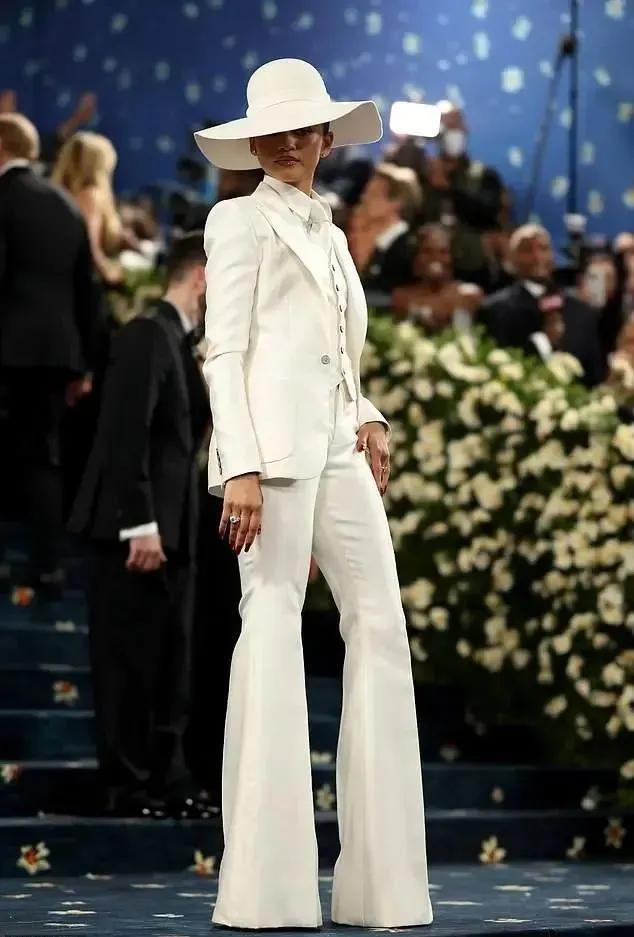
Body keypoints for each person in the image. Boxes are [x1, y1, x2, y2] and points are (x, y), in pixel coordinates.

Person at [194, 57, 433, 930]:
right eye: (275, 131)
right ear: (255, 143)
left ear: (328, 139)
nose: (290, 142)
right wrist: (240, 464)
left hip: (338, 447)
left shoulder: (331, 233)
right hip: (271, 460)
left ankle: (383, 885)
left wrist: (365, 413)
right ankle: (268, 889)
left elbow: (330, 347)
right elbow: (227, 350)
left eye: (304, 128)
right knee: (271, 622)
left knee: (382, 624)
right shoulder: (236, 220)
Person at [68, 233, 211, 819]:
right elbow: (125, 435)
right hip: (136, 532)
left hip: (175, 532)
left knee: (168, 663)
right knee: (127, 663)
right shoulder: (147, 333)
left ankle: (165, 781)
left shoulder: (180, 342)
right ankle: (127, 785)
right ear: (202, 277)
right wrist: (140, 523)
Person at [0, 113, 97, 597]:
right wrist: (84, 363)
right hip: (58, 352)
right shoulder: (63, 203)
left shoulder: (3, 198)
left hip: (7, 349)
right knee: (43, 458)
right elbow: (87, 289)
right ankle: (49, 568)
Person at [480, 224, 604, 387]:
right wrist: (543, 342)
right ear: (513, 259)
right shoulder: (495, 311)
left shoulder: (580, 309)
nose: (537, 256)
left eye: (543, 249)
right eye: (527, 250)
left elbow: (594, 373)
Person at [420, 103, 506, 288]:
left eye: (455, 126)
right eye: (445, 126)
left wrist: (448, 188)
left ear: (465, 130)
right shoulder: (423, 174)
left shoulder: (483, 175)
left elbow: (487, 215)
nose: (450, 133)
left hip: (471, 265)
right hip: (426, 270)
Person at [52, 131, 124, 286]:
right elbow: (88, 245)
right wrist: (111, 273)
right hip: (79, 283)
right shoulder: (91, 196)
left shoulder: (55, 194)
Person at [392, 223, 483, 330]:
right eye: (427, 252)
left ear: (453, 257)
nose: (435, 257)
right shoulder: (402, 297)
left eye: (443, 252)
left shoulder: (468, 294)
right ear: (416, 258)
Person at [352, 162, 421, 294]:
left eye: (374, 194)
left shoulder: (409, 247)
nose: (364, 198)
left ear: (397, 202)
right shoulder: (358, 236)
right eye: (366, 192)